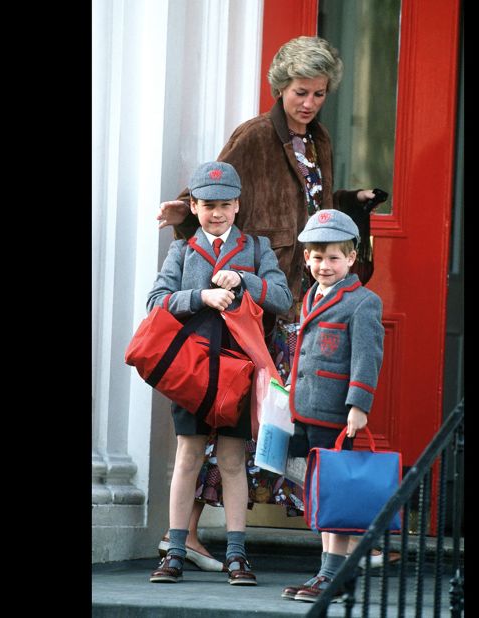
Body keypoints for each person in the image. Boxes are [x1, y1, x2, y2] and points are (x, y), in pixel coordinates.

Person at [154, 34, 383, 561]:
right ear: (281, 87)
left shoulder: (320, 140)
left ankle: (339, 532)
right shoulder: (254, 137)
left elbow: (313, 205)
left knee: (284, 418)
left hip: (300, 294)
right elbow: (215, 197)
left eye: (320, 94)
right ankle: (185, 534)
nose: (309, 103)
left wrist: (352, 203)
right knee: (229, 411)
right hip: (249, 298)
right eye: (301, 92)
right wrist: (183, 221)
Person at [146, 161, 292, 585]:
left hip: (239, 370)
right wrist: (200, 296)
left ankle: (236, 555)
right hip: (191, 371)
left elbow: (281, 296)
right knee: (188, 456)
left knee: (231, 460)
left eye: (225, 205)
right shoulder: (183, 250)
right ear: (193, 205)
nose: (216, 213)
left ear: (237, 205)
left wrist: (244, 279)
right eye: (208, 205)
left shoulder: (257, 248)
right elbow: (157, 301)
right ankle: (174, 550)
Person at [280, 209, 385, 603]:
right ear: (306, 258)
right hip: (305, 409)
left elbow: (367, 356)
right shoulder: (310, 296)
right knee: (320, 496)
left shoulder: (362, 302)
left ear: (352, 258)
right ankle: (329, 572)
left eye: (334, 258)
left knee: (335, 495)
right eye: (318, 257)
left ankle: (332, 574)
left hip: (336, 414)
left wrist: (358, 403)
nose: (325, 266)